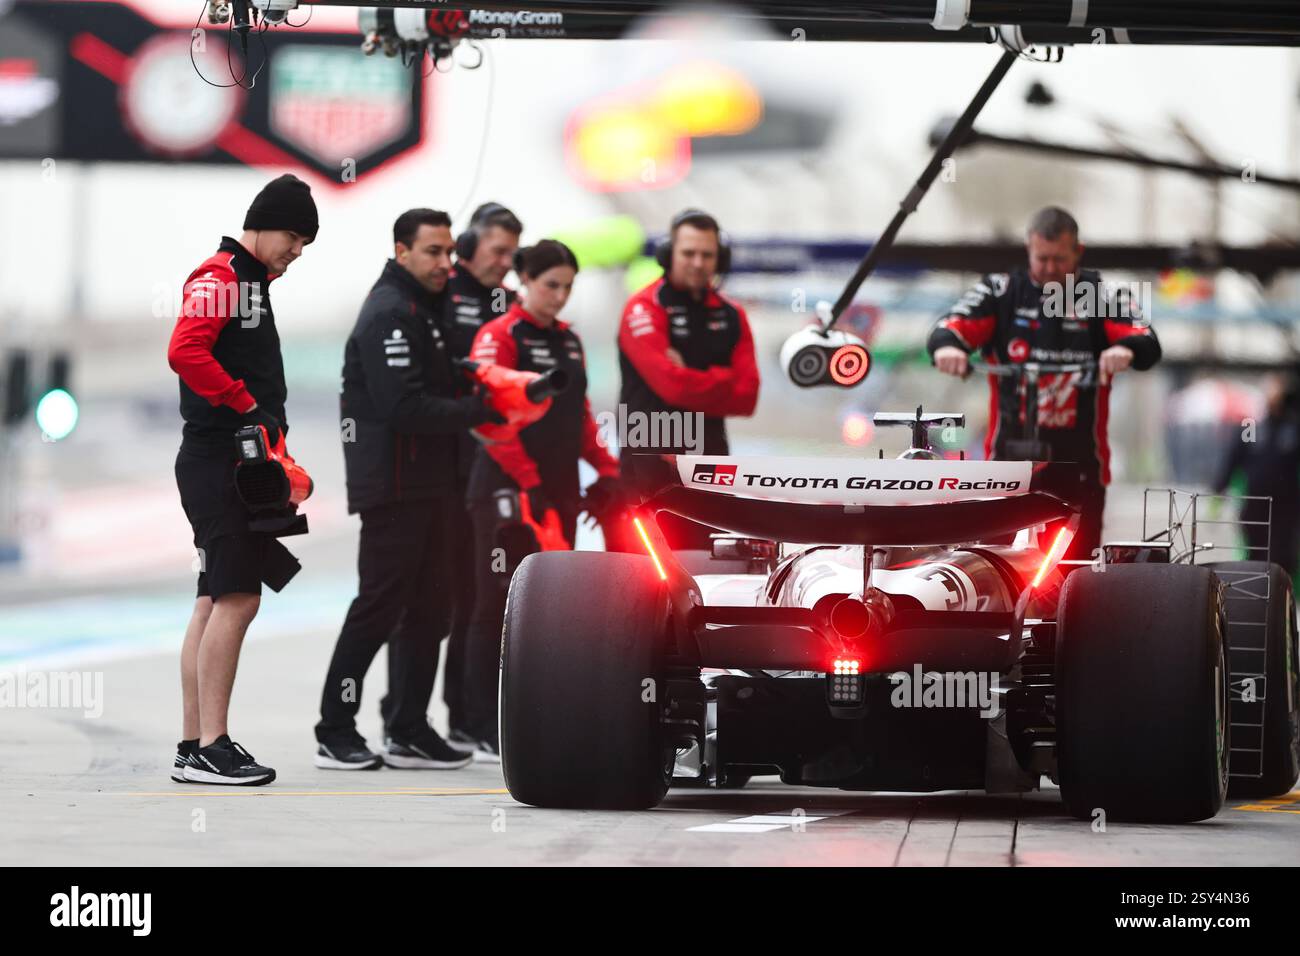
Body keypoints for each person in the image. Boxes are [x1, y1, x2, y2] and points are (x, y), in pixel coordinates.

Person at [314, 208, 498, 771]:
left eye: (449, 251)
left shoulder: (427, 308)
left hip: (436, 485)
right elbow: (404, 407)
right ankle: (334, 729)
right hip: (393, 489)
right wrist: (482, 410)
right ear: (402, 252)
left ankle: (408, 728)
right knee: (378, 607)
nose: (447, 262)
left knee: (432, 609)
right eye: (434, 252)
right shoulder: (390, 312)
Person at [166, 173, 318, 785]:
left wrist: (272, 443)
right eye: (293, 235)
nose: (298, 250)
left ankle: (192, 744)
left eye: (306, 242)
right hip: (218, 462)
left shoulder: (252, 283)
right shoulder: (222, 276)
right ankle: (213, 746)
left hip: (237, 461)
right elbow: (184, 351)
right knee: (238, 597)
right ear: (262, 222)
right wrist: (242, 404)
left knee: (210, 600)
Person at [461, 239, 621, 761]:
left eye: (568, 286)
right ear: (524, 281)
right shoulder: (498, 336)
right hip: (506, 489)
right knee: (496, 604)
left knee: (550, 608)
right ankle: (480, 722)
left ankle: (536, 715)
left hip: (558, 493)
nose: (559, 295)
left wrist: (607, 469)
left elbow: (580, 417)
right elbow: (487, 420)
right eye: (550, 284)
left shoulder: (571, 342)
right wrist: (527, 477)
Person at [927, 206, 1162, 561]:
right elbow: (949, 327)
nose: (1051, 268)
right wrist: (948, 348)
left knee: (1074, 574)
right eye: (1042, 259)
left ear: (1078, 252)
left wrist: (1125, 350)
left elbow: (1147, 341)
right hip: (1007, 467)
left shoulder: (1104, 296)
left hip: (1080, 468)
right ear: (1028, 250)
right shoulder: (1001, 291)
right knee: (996, 565)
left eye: (1059, 259)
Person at [616, 209, 760, 550]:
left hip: (711, 470)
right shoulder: (643, 307)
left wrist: (692, 375)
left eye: (707, 255)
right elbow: (671, 386)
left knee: (709, 581)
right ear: (669, 255)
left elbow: (747, 397)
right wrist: (724, 379)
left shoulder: (732, 314)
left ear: (719, 259)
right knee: (642, 586)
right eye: (688, 253)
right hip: (648, 469)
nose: (697, 262)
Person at [438, 201, 523, 753]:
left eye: (513, 255)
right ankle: (456, 719)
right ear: (468, 246)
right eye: (497, 251)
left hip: (495, 470)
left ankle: (476, 717)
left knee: (488, 596)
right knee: (449, 601)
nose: (505, 263)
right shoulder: (440, 295)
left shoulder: (513, 306)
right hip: (441, 470)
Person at [1215, 371, 1300, 577]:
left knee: (1282, 554)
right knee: (1254, 552)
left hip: (1286, 506)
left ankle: (1281, 595)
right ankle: (1255, 592)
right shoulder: (1252, 426)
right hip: (1255, 503)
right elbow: (1234, 458)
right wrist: (1219, 488)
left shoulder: (1294, 428)